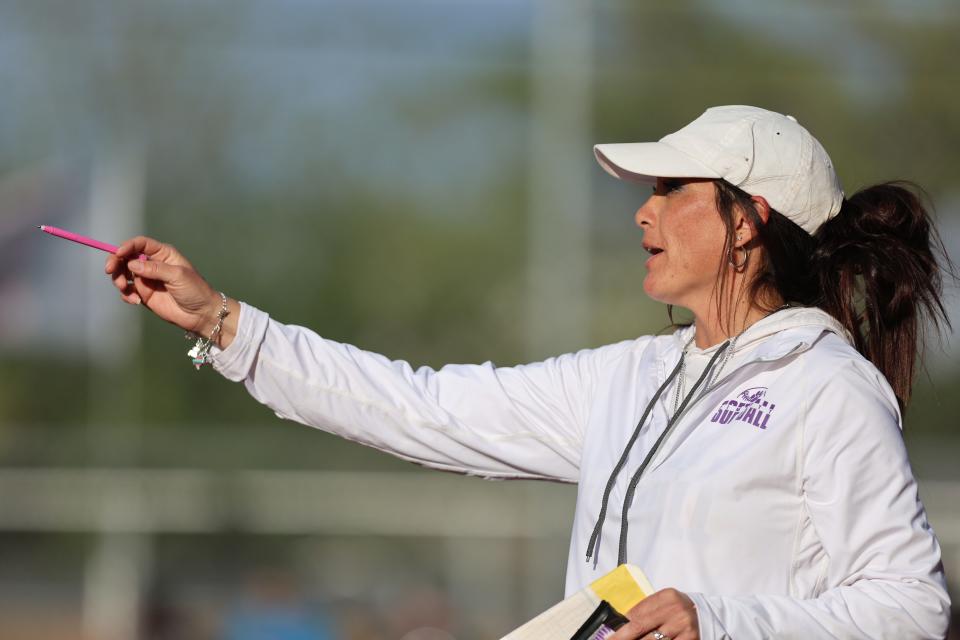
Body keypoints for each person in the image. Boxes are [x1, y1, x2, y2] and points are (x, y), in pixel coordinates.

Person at [105, 106, 952, 639]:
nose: (643, 210)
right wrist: (222, 323)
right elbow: (423, 408)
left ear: (747, 222)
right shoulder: (634, 374)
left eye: (671, 187)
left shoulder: (828, 384)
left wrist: (721, 622)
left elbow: (913, 609)